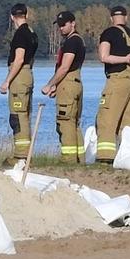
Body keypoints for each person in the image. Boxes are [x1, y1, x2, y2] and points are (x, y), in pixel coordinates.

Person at [94, 6, 130, 161]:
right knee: (127, 124)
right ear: (126, 18)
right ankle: (126, 157)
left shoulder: (109, 33)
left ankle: (105, 157)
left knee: (106, 119)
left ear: (111, 18)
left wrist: (123, 59)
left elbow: (103, 56)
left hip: (117, 79)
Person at [41, 11, 86, 162]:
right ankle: (80, 158)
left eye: (64, 24)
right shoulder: (76, 40)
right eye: (59, 25)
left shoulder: (72, 42)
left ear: (73, 23)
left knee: (65, 121)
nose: (61, 28)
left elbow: (64, 67)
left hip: (68, 82)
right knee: (74, 122)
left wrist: (50, 84)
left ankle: (68, 158)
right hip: (74, 82)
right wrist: (56, 86)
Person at [1, 4, 38, 164]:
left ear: (11, 17)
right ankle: (26, 154)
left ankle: (21, 156)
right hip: (28, 73)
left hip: (19, 74)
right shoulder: (31, 33)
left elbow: (19, 58)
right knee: (25, 114)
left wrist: (7, 81)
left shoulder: (20, 34)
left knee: (18, 115)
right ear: (26, 15)